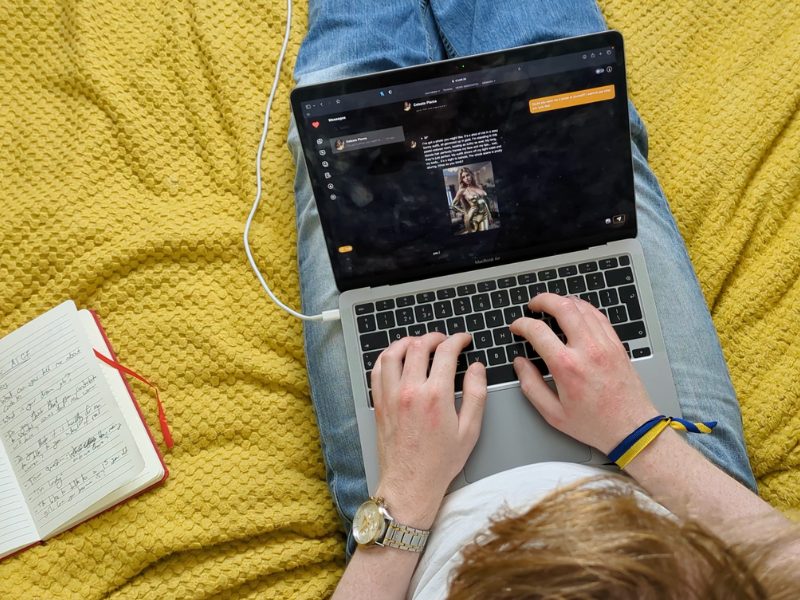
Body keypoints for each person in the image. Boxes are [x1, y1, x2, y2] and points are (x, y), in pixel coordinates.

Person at [286, 1, 800, 598]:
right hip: (671, 480)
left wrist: (404, 499)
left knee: (346, 114)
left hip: (418, 528)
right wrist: (638, 433)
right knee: (567, 86)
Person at [451, 166, 492, 233]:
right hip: (472, 217)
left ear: (471, 175)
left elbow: (483, 202)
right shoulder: (462, 190)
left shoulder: (479, 186)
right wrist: (465, 212)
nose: (466, 178)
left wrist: (489, 215)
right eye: (463, 177)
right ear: (462, 180)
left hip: (484, 215)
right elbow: (453, 205)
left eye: (467, 175)